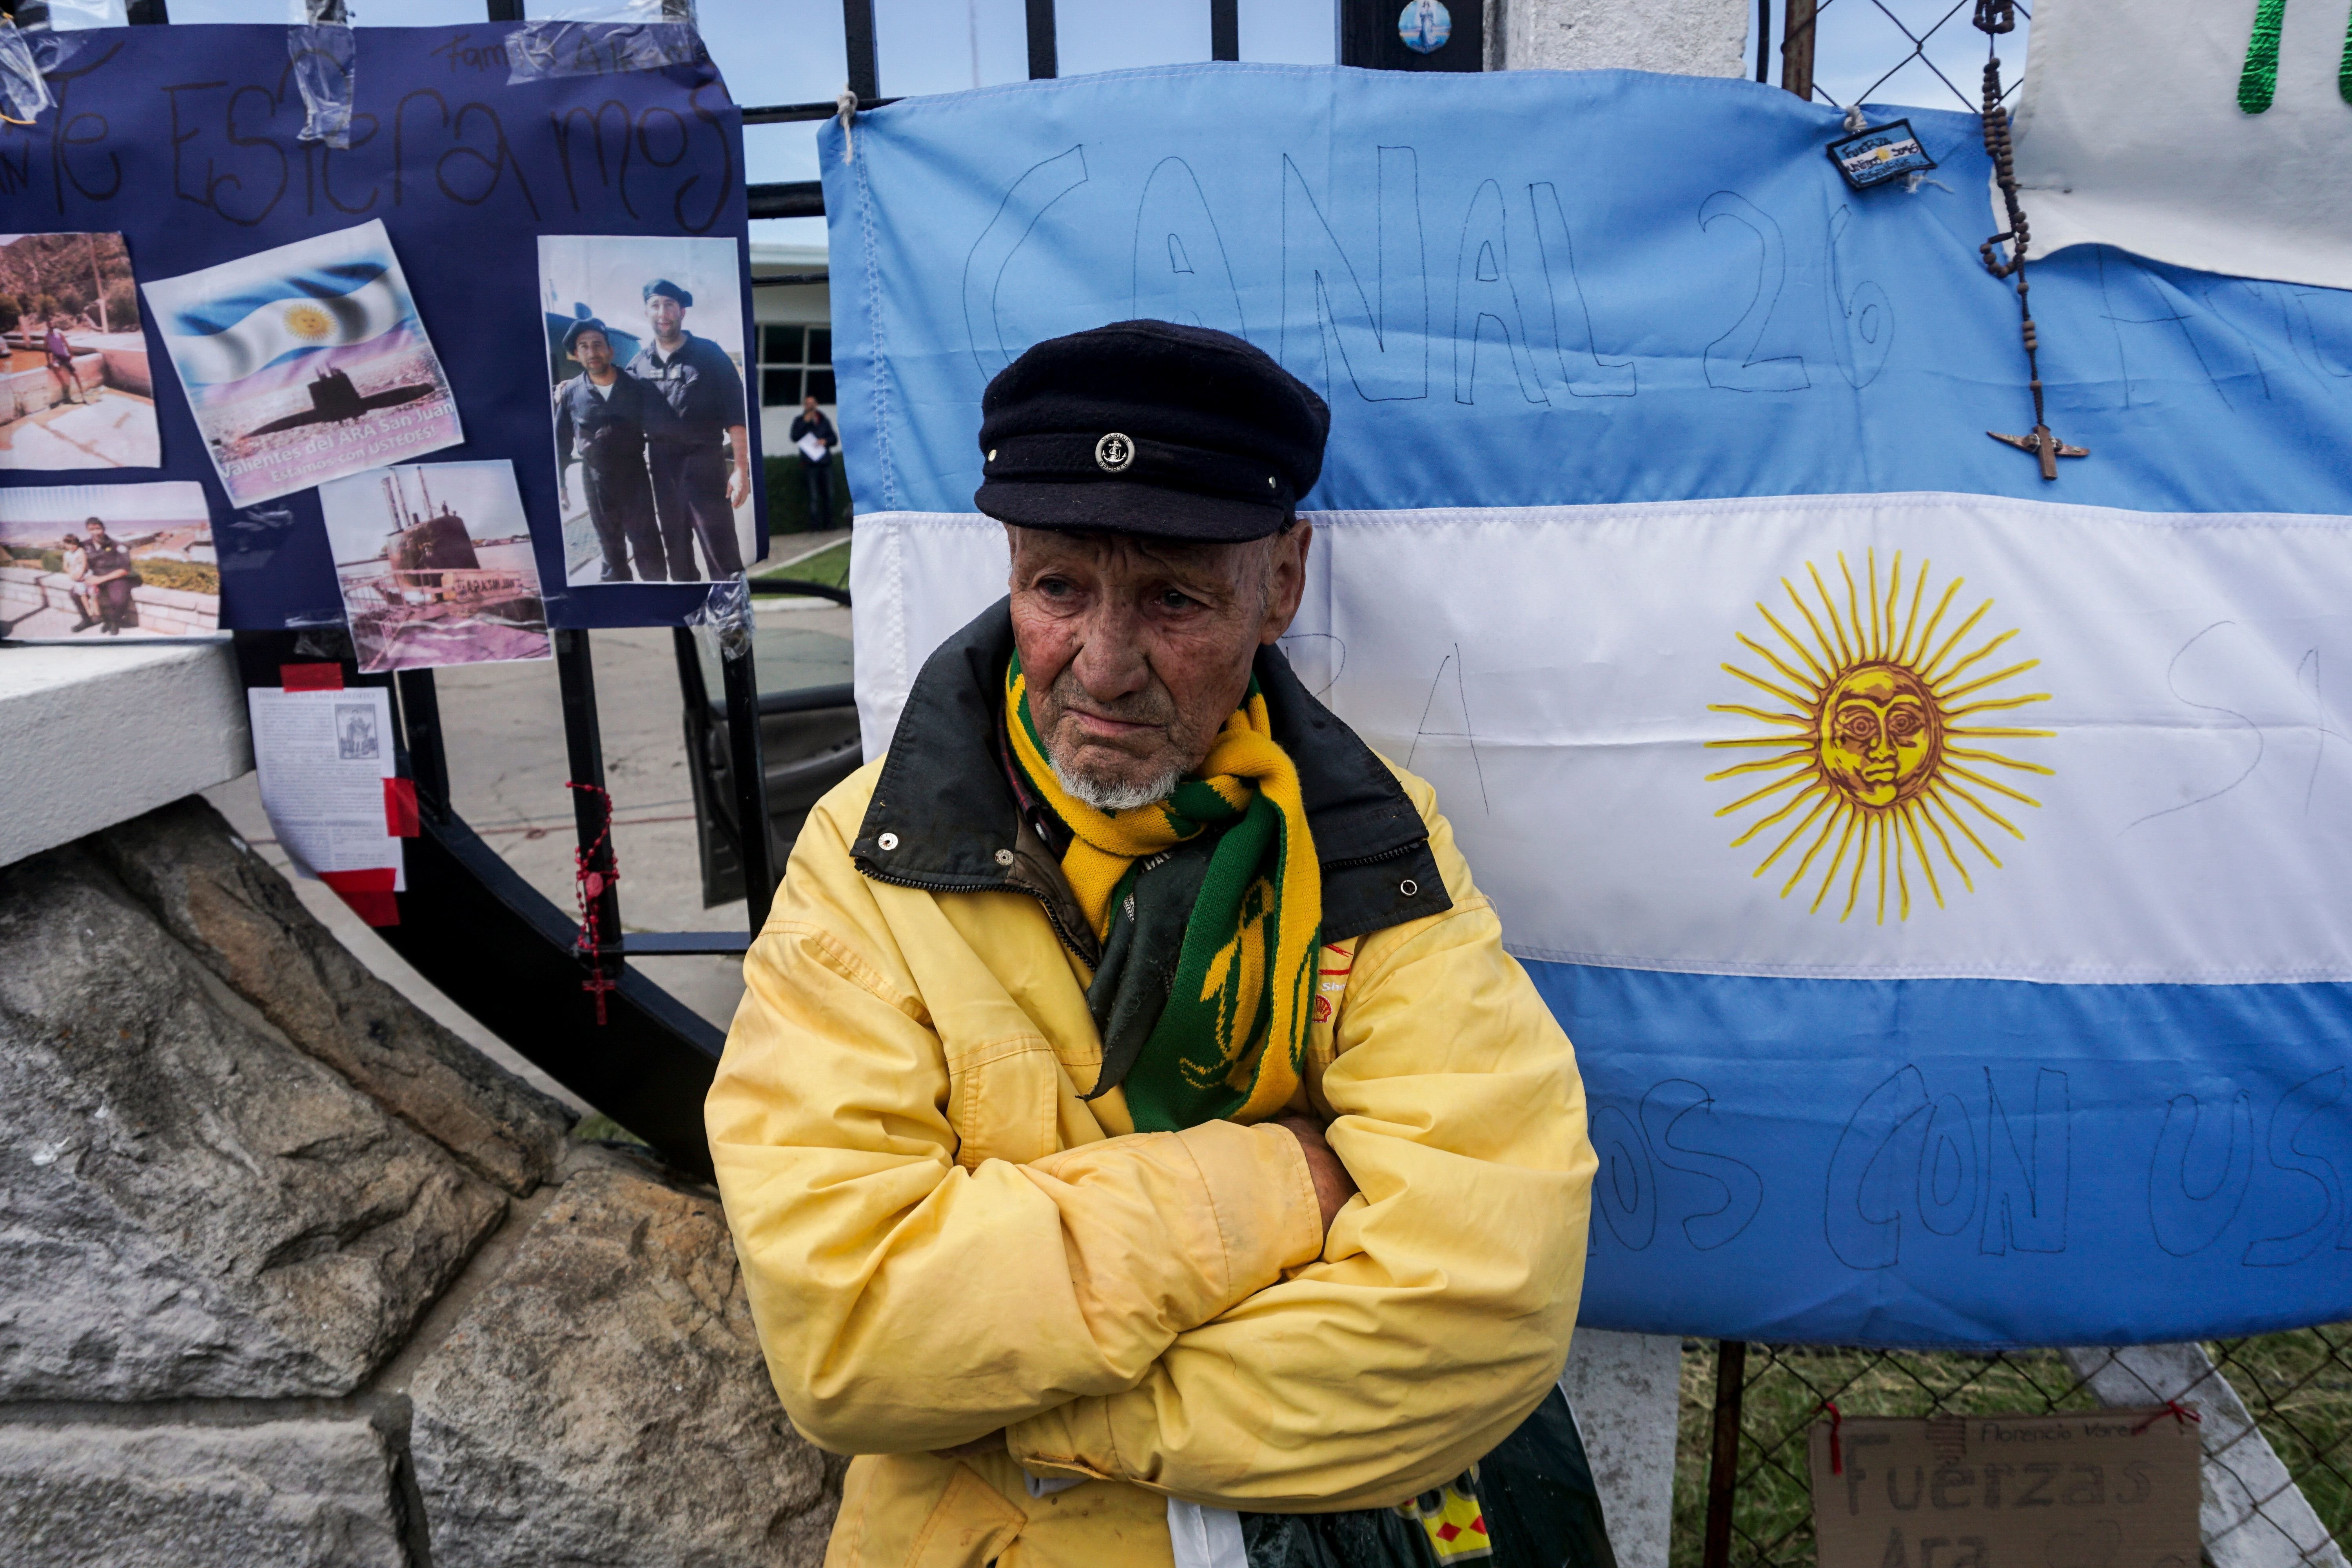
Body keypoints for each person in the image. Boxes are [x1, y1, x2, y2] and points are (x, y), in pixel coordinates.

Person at [708, 320, 1605, 1567]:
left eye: (1173, 597)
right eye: (1058, 586)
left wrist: (1029, 1407)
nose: (1103, 664)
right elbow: (846, 1329)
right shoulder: (862, 860)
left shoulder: (1369, 843)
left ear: (1278, 584)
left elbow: (1484, 1295)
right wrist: (1283, 1182)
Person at [628, 279, 749, 581]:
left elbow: (737, 415)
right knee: (677, 554)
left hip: (705, 463)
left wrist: (741, 470)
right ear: (647, 313)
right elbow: (612, 397)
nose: (663, 312)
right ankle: (690, 626)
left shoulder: (710, 355)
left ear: (682, 312)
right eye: (655, 305)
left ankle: (734, 626)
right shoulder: (638, 365)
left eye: (670, 305)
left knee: (721, 551)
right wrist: (570, 387)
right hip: (662, 466)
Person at [552, 317, 668, 583]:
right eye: (584, 347)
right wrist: (560, 485)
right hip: (596, 480)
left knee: (647, 542)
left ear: (610, 350)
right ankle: (619, 600)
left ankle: (659, 599)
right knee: (609, 545)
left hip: (635, 476)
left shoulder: (637, 386)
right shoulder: (571, 393)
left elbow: (662, 429)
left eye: (597, 345)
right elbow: (561, 442)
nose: (592, 353)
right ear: (576, 355)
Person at [788, 392, 839, 530]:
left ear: (816, 405)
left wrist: (826, 441)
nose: (810, 406)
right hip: (810, 465)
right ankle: (815, 526)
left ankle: (829, 525)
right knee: (814, 497)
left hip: (825, 463)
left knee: (829, 495)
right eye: (808, 404)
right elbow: (794, 437)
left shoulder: (823, 420)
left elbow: (834, 439)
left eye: (813, 404)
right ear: (805, 406)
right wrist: (805, 423)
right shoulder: (799, 421)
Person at [79, 517, 136, 635]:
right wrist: (82, 577)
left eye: (98, 529)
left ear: (104, 529)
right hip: (95, 577)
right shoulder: (84, 545)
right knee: (75, 593)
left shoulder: (117, 545)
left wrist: (99, 580)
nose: (96, 532)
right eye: (92, 529)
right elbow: (78, 562)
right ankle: (88, 620)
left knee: (118, 599)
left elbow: (125, 570)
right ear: (88, 530)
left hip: (115, 578)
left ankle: (114, 622)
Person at [58, 532, 95, 630]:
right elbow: (66, 567)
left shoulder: (80, 551)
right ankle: (88, 613)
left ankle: (96, 612)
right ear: (65, 545)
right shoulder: (66, 555)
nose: (72, 547)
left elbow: (84, 563)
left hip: (85, 575)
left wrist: (80, 574)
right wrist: (72, 574)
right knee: (82, 594)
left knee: (93, 593)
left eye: (74, 545)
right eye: (69, 545)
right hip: (76, 577)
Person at [44, 320, 85, 407]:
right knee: (55, 367)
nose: (50, 325)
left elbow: (66, 343)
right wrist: (48, 362)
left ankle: (83, 394)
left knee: (75, 374)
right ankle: (64, 385)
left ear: (53, 324)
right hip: (56, 357)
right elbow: (46, 350)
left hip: (65, 356)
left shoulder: (59, 332)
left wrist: (71, 353)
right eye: (49, 324)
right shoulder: (46, 336)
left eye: (51, 323)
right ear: (47, 325)